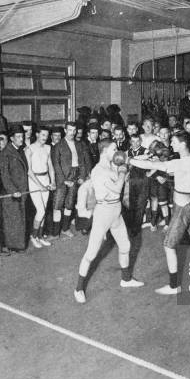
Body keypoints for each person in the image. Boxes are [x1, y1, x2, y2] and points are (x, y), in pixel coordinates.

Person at [130, 131, 190, 295]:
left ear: (183, 144)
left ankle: (173, 286)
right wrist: (158, 159)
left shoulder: (181, 162)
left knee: (168, 245)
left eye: (174, 142)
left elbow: (153, 167)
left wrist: (129, 160)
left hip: (183, 208)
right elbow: (171, 171)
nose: (171, 145)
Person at [74, 140, 144, 303]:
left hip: (116, 212)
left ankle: (126, 279)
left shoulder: (112, 165)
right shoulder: (98, 171)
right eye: (114, 149)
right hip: (103, 213)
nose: (117, 151)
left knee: (125, 246)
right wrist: (122, 170)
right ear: (104, 151)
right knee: (91, 253)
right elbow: (117, 187)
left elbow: (125, 166)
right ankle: (78, 288)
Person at [52, 122, 89, 238]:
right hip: (62, 178)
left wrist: (82, 177)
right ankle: (55, 233)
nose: (72, 133)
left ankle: (65, 228)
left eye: (74, 130)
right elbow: (56, 165)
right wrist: (63, 180)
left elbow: (82, 163)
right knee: (58, 205)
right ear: (65, 130)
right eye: (70, 130)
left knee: (69, 204)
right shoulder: (58, 146)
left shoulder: (79, 145)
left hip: (74, 177)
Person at [0, 124, 30, 253]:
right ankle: (14, 245)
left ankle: (18, 245)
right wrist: (12, 190)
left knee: (19, 218)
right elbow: (5, 176)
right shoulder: (6, 153)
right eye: (18, 137)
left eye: (22, 136)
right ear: (12, 138)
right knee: (13, 220)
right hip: (13, 193)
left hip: (21, 191)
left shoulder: (19, 150)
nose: (21, 139)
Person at [25, 127, 56, 248]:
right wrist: (40, 186)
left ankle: (39, 235)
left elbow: (51, 167)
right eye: (42, 135)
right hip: (34, 181)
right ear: (37, 134)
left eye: (46, 135)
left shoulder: (48, 148)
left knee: (43, 209)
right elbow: (29, 171)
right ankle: (33, 236)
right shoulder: (29, 149)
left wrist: (52, 182)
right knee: (41, 210)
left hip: (45, 179)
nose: (45, 137)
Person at [126, 134, 149, 237]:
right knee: (131, 203)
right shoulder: (127, 151)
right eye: (133, 141)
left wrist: (132, 159)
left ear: (140, 141)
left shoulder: (146, 150)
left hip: (143, 180)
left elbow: (147, 157)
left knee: (141, 204)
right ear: (130, 142)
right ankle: (131, 225)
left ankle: (136, 227)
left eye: (137, 141)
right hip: (131, 180)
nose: (135, 143)